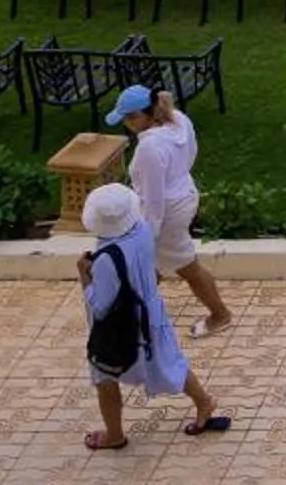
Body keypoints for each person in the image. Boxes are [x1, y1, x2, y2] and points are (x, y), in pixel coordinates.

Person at [78, 183, 226, 450]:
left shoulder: (106, 260)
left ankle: (114, 434)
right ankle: (203, 402)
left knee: (104, 377)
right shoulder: (143, 232)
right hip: (152, 316)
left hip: (120, 329)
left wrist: (85, 278)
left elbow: (101, 307)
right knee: (170, 361)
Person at [108, 82, 235, 337]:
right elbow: (191, 153)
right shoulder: (179, 120)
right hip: (184, 196)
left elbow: (153, 199)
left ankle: (220, 315)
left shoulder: (149, 149)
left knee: (186, 267)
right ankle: (133, 315)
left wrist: (146, 234)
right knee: (151, 264)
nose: (126, 125)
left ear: (142, 116)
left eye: (128, 119)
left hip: (166, 214)